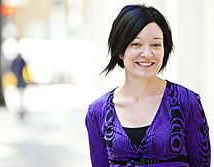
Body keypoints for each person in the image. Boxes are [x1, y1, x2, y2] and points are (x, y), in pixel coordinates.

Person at [85, 4, 211, 167]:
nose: (147, 53)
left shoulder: (187, 102)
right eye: (136, 44)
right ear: (120, 51)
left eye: (156, 45)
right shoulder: (97, 112)